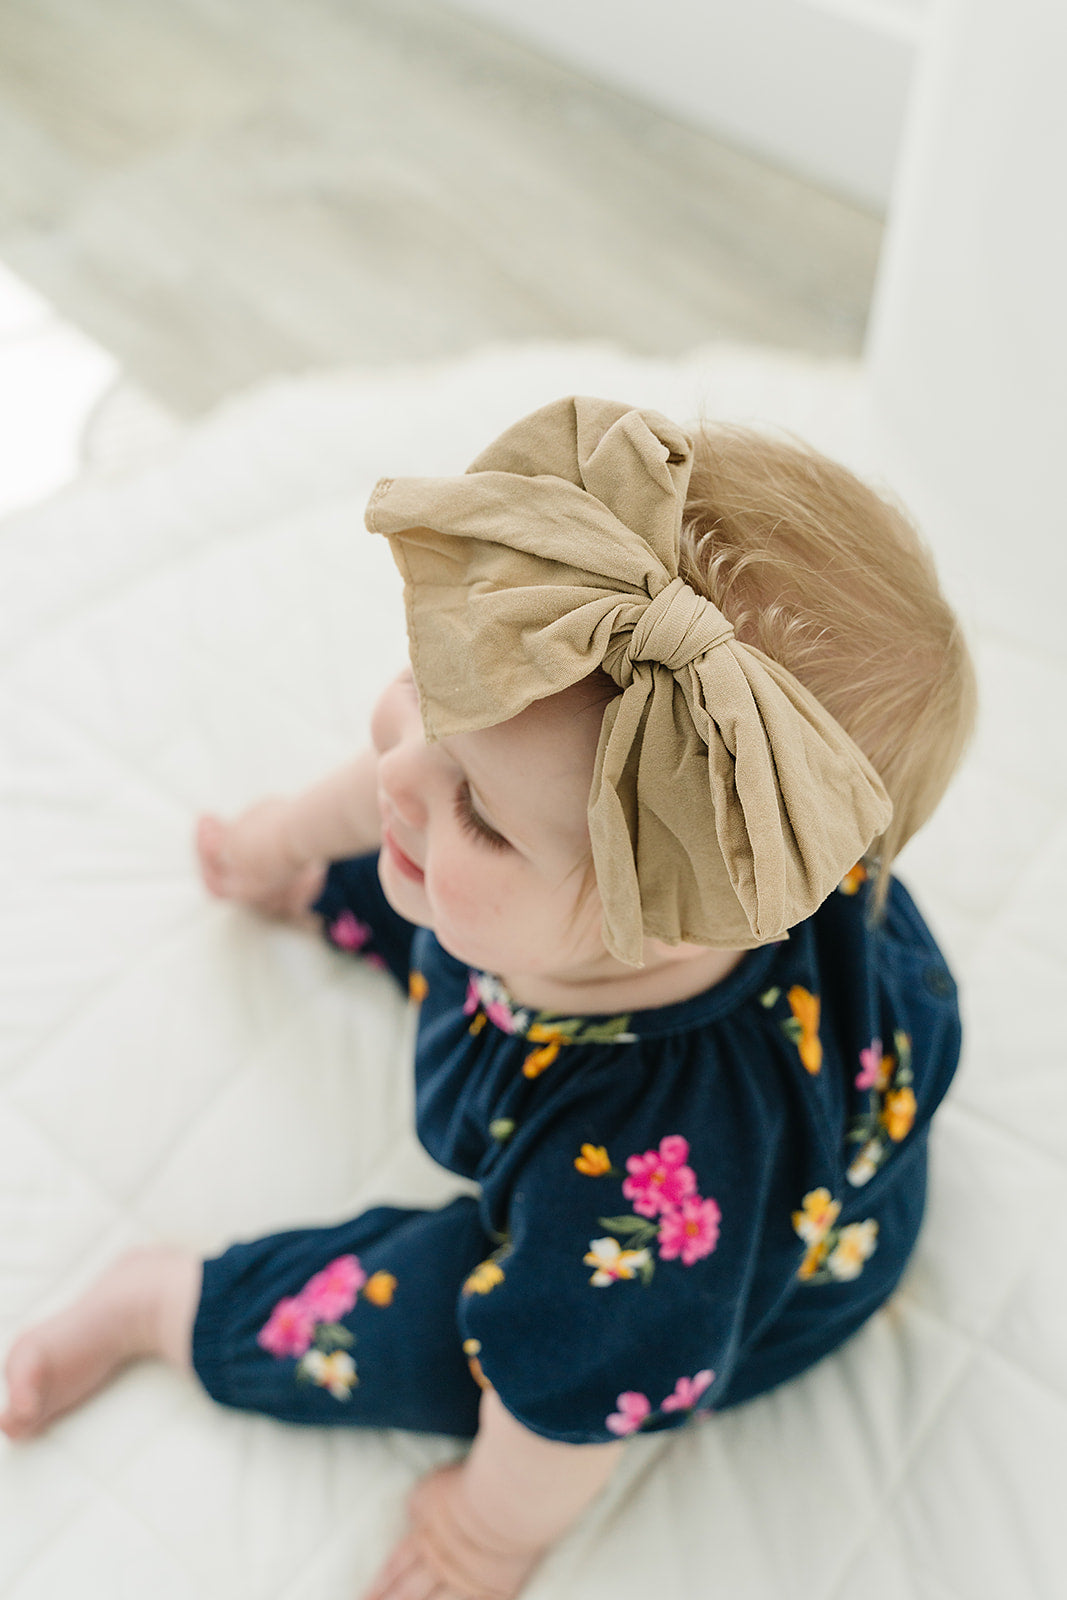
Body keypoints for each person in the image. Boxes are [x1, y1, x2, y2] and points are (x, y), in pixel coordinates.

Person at [0, 398, 976, 1600]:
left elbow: (568, 1412)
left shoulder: (653, 1188)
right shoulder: (550, 828)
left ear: (665, 914)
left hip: (736, 1247)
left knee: (483, 1341)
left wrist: (489, 1530)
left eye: (474, 801)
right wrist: (287, 845)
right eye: (422, 684)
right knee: (444, 880)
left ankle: (166, 1306)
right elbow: (427, 776)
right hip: (552, 941)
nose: (395, 763)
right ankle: (390, 883)